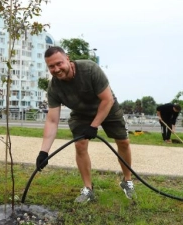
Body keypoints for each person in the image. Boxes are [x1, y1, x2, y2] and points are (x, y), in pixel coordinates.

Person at [35, 46, 135, 203]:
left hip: (107, 106)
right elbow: (52, 120)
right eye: (51, 66)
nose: (56, 69)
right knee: (80, 145)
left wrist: (94, 125)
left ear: (67, 58)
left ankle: (127, 181)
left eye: (59, 63)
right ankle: (88, 189)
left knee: (123, 142)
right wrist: (43, 152)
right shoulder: (54, 87)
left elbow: (107, 99)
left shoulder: (89, 69)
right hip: (80, 112)